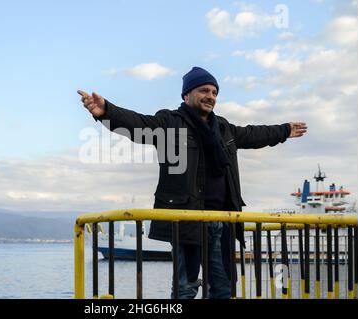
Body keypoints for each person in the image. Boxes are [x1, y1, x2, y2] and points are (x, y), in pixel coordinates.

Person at [78, 66, 308, 299]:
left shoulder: (223, 128)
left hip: (224, 220)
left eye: (215, 92)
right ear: (187, 95)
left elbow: (254, 134)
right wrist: (106, 111)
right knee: (185, 289)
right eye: (204, 90)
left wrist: (284, 130)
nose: (210, 96)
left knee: (223, 289)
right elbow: (137, 124)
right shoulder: (169, 123)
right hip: (187, 221)